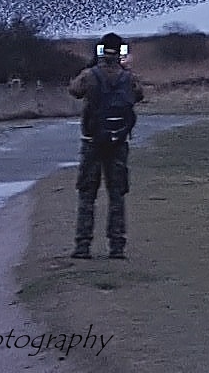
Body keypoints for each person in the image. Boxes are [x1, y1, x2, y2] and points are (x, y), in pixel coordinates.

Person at [68, 32, 143, 259]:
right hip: (119, 141)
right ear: (120, 52)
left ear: (101, 50)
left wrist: (92, 65)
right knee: (117, 195)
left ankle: (83, 245)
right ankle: (117, 246)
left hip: (92, 141)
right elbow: (138, 95)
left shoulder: (90, 75)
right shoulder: (128, 78)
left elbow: (74, 90)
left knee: (87, 194)